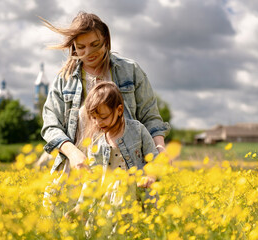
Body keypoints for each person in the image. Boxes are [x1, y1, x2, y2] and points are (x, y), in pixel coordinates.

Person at [40, 11, 170, 175]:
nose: (88, 52)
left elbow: (150, 117)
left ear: (106, 40)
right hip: (79, 169)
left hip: (127, 168)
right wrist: (73, 153)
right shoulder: (64, 79)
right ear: (73, 47)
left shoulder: (130, 71)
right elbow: (51, 126)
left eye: (95, 44)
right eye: (81, 47)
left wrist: (159, 149)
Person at [66, 82, 158, 225]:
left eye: (103, 117)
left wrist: (150, 176)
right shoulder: (95, 143)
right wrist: (80, 206)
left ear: (119, 110)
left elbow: (154, 157)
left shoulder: (138, 130)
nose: (98, 123)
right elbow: (92, 180)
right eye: (94, 118)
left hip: (138, 200)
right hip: (109, 206)